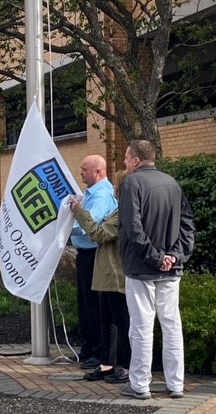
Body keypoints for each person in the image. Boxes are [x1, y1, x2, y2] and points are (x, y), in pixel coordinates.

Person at [118, 140, 195, 401]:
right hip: (171, 269)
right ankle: (176, 384)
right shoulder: (172, 183)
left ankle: (140, 384)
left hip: (141, 268)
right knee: (172, 325)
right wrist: (173, 256)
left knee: (141, 327)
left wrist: (155, 258)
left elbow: (132, 227)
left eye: (127, 158)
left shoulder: (131, 184)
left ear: (136, 160)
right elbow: (187, 224)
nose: (124, 164)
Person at [69, 170, 131, 384]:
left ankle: (129, 367)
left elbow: (100, 233)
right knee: (106, 318)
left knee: (122, 320)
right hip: (106, 271)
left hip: (115, 272)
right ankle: (107, 363)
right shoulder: (118, 209)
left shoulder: (123, 211)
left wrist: (79, 213)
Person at [70, 154, 118, 369]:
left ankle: (98, 352)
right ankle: (90, 347)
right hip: (86, 255)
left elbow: (91, 224)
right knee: (86, 304)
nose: (80, 173)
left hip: (94, 255)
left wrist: (63, 227)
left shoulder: (101, 196)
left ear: (98, 171)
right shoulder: (90, 194)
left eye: (84, 169)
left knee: (95, 305)